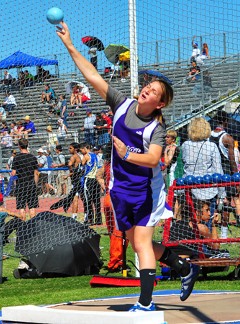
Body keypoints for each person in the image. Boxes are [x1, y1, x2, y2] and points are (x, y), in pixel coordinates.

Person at [56, 21, 200, 312]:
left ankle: (146, 303)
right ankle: (183, 267)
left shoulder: (156, 129)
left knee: (143, 244)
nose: (147, 89)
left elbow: (152, 159)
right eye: (147, 86)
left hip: (146, 191)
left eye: (154, 90)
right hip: (121, 188)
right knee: (137, 243)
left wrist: (126, 153)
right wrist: (70, 45)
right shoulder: (121, 104)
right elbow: (93, 75)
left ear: (160, 103)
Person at [181, 118, 226, 255]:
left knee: (192, 222)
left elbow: (185, 165)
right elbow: (218, 171)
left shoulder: (185, 145)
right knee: (208, 222)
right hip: (209, 190)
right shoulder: (211, 146)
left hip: (191, 189)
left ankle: (195, 250)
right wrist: (222, 194)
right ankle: (206, 252)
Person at [210, 110, 240, 239]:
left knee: (213, 203)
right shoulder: (227, 138)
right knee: (226, 204)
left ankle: (212, 231)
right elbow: (232, 160)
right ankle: (223, 235)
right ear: (226, 122)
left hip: (212, 173)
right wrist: (236, 177)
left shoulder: (208, 136)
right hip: (226, 174)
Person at [50, 142, 84, 219]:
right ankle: (85, 216)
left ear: (75, 149)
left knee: (75, 198)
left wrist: (58, 166)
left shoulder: (74, 157)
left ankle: (74, 216)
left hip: (76, 180)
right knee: (82, 198)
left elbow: (69, 165)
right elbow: (75, 169)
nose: (69, 150)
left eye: (70, 148)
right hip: (79, 178)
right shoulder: (80, 156)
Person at [11, 138, 39, 220]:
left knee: (21, 207)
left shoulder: (16, 158)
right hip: (31, 184)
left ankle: (22, 226)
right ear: (27, 145)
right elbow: (36, 173)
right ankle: (33, 226)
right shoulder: (33, 157)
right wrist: (35, 184)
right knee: (32, 207)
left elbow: (13, 173)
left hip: (21, 184)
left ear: (19, 146)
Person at [80, 142, 102, 225]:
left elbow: (81, 166)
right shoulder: (95, 155)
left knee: (87, 200)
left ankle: (90, 219)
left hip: (88, 179)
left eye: (81, 149)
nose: (81, 151)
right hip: (95, 180)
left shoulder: (86, 156)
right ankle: (98, 219)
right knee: (96, 200)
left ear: (85, 148)